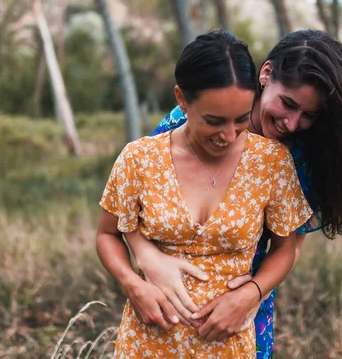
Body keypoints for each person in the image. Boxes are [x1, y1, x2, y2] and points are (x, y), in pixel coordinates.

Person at [126, 29, 342, 359]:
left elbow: (289, 248)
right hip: (163, 312)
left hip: (239, 316)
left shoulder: (297, 160)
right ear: (266, 75)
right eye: (288, 104)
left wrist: (251, 295)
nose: (291, 124)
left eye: (308, 115)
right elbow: (136, 201)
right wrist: (146, 256)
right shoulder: (193, 118)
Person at [97, 31, 313, 358]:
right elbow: (107, 234)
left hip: (230, 346)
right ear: (182, 99)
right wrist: (133, 285)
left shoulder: (271, 161)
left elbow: (286, 248)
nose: (228, 135)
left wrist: (251, 293)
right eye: (214, 121)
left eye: (241, 119)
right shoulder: (139, 159)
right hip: (147, 344)